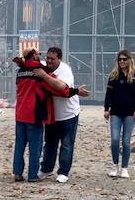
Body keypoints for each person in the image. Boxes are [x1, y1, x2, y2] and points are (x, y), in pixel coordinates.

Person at [12, 49, 84, 183]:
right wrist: (76, 91)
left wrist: (21, 61)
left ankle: (17, 172)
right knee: (36, 147)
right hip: (34, 115)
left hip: (20, 114)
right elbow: (59, 89)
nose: (42, 57)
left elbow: (21, 61)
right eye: (39, 54)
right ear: (34, 56)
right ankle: (33, 175)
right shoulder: (40, 71)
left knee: (19, 145)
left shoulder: (21, 71)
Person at [38, 47, 81, 183]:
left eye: (52, 59)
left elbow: (61, 87)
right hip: (52, 115)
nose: (49, 61)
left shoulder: (65, 70)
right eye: (48, 58)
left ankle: (63, 172)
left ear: (60, 59)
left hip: (69, 114)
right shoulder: (43, 66)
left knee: (67, 144)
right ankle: (46, 169)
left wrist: (44, 76)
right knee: (50, 143)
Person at [104, 49, 135, 179]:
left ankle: (124, 168)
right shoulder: (114, 75)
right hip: (116, 112)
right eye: (120, 59)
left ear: (129, 60)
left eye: (124, 59)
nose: (122, 61)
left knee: (126, 141)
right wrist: (106, 108)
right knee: (115, 139)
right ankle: (114, 165)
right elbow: (108, 94)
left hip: (130, 113)